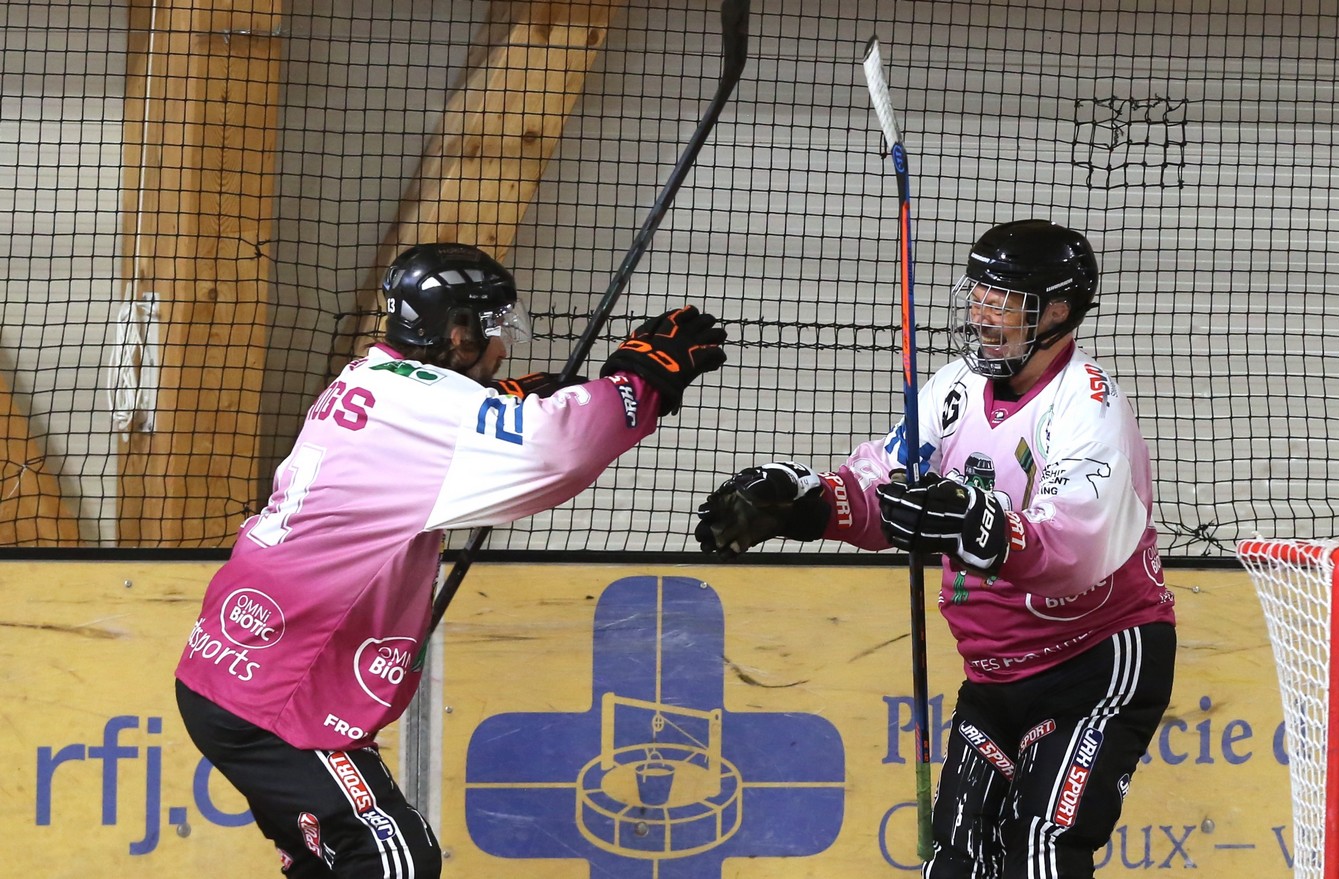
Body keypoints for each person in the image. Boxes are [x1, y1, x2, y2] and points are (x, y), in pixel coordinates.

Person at [175, 242, 727, 878]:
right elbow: (558, 448)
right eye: (494, 329)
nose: (503, 349)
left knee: (335, 861)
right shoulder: (429, 407)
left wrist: (532, 394)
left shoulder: (368, 379)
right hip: (280, 693)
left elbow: (463, 417)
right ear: (459, 332)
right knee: (395, 859)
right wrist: (642, 378)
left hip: (235, 669)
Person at [694, 220, 1175, 878]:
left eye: (1003, 299)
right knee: (956, 862)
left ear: (1057, 311)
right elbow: (883, 491)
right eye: (978, 293)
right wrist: (804, 504)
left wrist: (975, 523)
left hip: (1092, 661)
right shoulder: (955, 388)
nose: (980, 311)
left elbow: (1074, 546)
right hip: (995, 671)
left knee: (1041, 852)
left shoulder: (1087, 405)